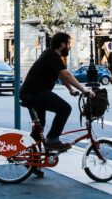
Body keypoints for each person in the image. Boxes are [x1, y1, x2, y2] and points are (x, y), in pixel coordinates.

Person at [20, 32, 94, 172]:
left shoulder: (50, 54)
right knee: (64, 108)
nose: (70, 47)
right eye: (69, 44)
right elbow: (65, 74)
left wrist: (71, 89)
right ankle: (52, 140)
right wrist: (83, 89)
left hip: (31, 93)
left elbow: (60, 74)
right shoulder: (53, 55)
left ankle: (33, 161)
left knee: (39, 127)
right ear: (62, 45)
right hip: (35, 93)